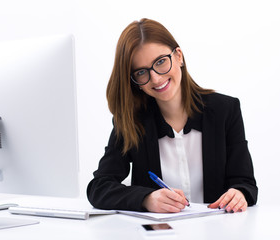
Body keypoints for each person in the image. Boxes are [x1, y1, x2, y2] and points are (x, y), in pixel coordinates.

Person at [87, 18, 257, 214]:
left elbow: (245, 183)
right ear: (134, 80)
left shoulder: (226, 110)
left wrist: (239, 193)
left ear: (178, 56)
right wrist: (146, 198)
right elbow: (99, 187)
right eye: (141, 72)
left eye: (160, 62)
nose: (156, 78)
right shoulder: (131, 121)